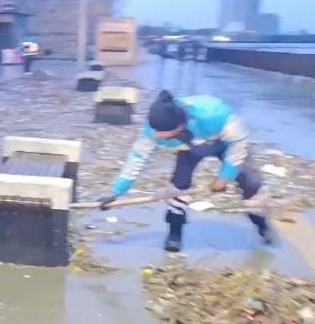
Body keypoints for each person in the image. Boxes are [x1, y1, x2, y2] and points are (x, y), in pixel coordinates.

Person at [104, 90, 274, 252]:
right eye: (158, 134)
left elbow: (238, 145)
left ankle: (261, 225)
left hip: (225, 143)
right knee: (178, 186)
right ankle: (175, 234)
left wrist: (224, 178)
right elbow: (137, 159)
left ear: (181, 124)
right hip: (190, 148)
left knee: (251, 182)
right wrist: (116, 192)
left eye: (166, 134)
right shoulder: (152, 131)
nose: (160, 137)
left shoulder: (214, 113)